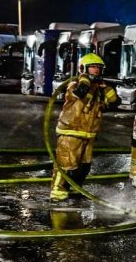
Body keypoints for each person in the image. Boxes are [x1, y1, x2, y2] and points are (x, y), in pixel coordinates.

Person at [50, 53, 121, 202]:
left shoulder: (99, 88)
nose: (96, 70)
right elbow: (79, 93)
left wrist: (106, 87)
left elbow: (114, 102)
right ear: (83, 68)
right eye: (92, 67)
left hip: (88, 134)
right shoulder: (75, 84)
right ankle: (58, 194)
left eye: (98, 68)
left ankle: (75, 190)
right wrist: (85, 79)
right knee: (66, 165)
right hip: (71, 131)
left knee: (83, 167)